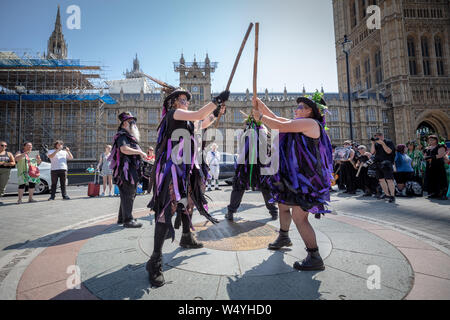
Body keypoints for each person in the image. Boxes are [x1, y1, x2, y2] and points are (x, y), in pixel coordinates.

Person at [146, 88, 227, 287]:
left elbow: (201, 122)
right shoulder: (174, 115)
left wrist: (216, 113)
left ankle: (186, 237)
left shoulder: (186, 119)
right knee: (167, 212)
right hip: (172, 169)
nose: (186, 102)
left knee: (187, 204)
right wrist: (215, 101)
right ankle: (155, 260)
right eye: (182, 99)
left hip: (186, 168)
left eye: (187, 100)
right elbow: (199, 114)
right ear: (173, 102)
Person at [252, 94, 333, 271]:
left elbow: (279, 125)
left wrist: (259, 117)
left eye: (301, 107)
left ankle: (314, 256)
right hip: (294, 177)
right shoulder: (299, 123)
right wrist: (260, 104)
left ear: (311, 111)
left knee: (300, 217)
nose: (296, 109)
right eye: (297, 107)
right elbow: (275, 118)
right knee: (282, 205)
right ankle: (283, 236)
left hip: (307, 180)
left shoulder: (310, 123)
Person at [225, 112, 279, 222]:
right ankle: (274, 211)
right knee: (266, 187)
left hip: (245, 164)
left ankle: (231, 212)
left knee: (239, 187)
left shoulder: (244, 132)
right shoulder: (263, 130)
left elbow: (241, 149)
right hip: (262, 163)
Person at [109, 112, 146, 228]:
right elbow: (124, 149)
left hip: (129, 170)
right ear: (125, 123)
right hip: (126, 171)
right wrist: (140, 152)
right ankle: (128, 220)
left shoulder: (127, 136)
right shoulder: (122, 135)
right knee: (129, 194)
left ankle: (122, 217)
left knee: (127, 194)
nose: (134, 125)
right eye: (132, 123)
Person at [371, 132, 396, 203]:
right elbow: (372, 152)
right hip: (378, 163)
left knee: (389, 180)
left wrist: (383, 143)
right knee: (381, 180)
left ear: (381, 136)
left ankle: (392, 196)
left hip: (387, 163)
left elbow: (389, 151)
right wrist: (373, 143)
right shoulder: (376, 144)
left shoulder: (388, 142)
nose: (376, 138)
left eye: (377, 137)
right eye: (375, 137)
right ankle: (387, 194)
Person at [423, 135, 448, 200]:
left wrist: (431, 157)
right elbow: (424, 156)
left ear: (436, 140)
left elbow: (441, 155)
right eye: (429, 140)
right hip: (430, 166)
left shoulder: (440, 146)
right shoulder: (427, 148)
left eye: (432, 140)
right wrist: (425, 158)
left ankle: (442, 194)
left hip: (438, 165)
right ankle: (433, 193)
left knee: (440, 179)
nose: (430, 141)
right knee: (431, 179)